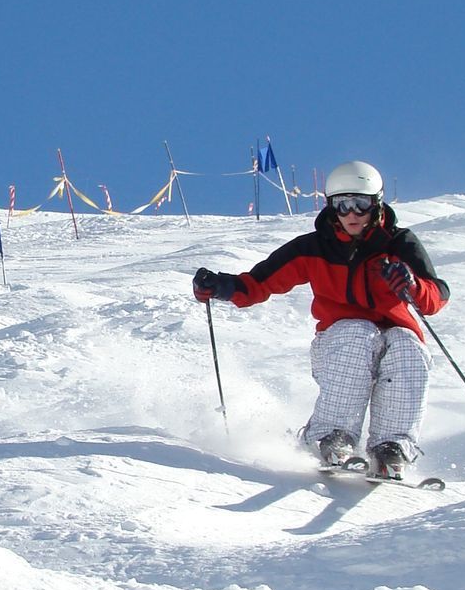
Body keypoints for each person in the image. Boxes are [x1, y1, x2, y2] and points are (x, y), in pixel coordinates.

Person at [192, 161, 450, 477]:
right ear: (331, 207)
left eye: (361, 204)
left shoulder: (399, 244)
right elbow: (259, 282)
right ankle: (330, 436)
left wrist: (411, 284)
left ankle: (391, 447)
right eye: (342, 205)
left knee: (408, 345)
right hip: (341, 342)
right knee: (359, 332)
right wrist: (220, 286)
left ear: (376, 204)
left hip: (396, 335)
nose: (352, 214)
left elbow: (437, 295)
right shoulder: (315, 247)